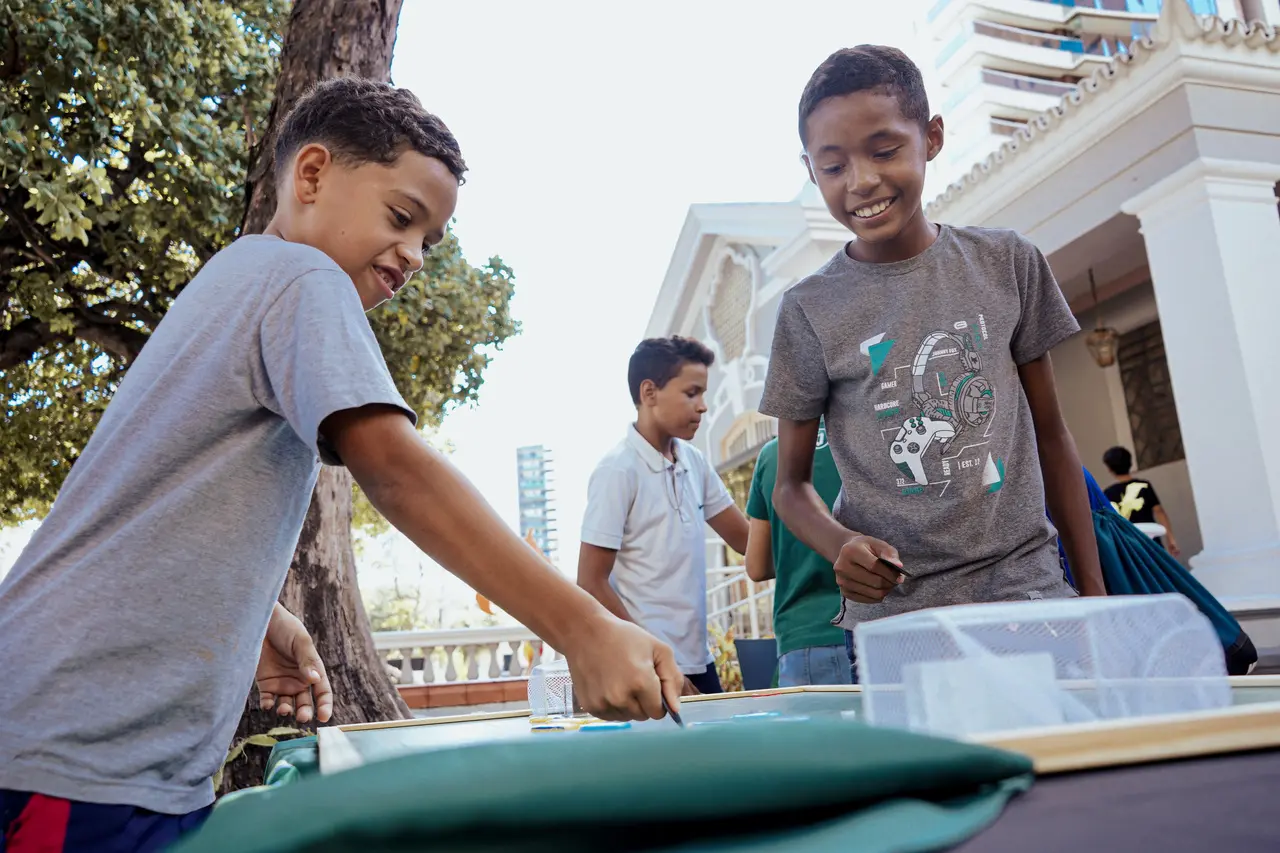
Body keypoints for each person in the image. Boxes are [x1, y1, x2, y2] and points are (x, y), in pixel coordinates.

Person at [0, 78, 681, 850]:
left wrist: (258, 616)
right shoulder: (303, 278)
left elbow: (155, 503)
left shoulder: (237, 278)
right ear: (312, 175)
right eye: (402, 218)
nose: (415, 255)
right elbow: (393, 466)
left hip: (82, 748)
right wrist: (581, 627)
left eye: (430, 241)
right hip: (75, 758)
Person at [758, 46, 1106, 681]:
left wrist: (1094, 597)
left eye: (884, 150)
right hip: (899, 626)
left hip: (1031, 598)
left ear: (932, 137)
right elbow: (790, 487)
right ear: (811, 172)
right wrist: (841, 547)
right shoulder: (808, 311)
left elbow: (1053, 435)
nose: (860, 180)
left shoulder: (1007, 264)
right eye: (833, 166)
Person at [579, 337, 750, 695]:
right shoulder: (618, 470)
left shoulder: (694, 462)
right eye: (692, 393)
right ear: (649, 392)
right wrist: (651, 660)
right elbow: (591, 582)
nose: (703, 407)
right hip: (646, 669)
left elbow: (748, 540)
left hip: (699, 663)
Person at [745, 420, 850, 686]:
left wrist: (796, 554)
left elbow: (756, 566)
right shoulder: (865, 441)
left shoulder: (772, 455)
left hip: (801, 637)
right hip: (870, 629)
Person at [1102, 446, 1180, 557]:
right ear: (1130, 463)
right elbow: (1159, 512)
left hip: (1128, 546)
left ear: (1109, 469)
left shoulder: (1108, 493)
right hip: (1151, 542)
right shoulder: (1144, 486)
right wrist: (1171, 539)